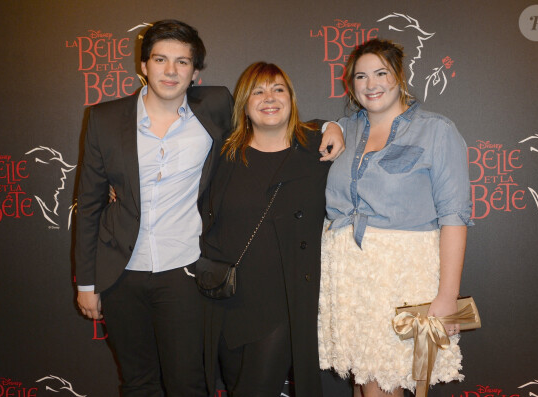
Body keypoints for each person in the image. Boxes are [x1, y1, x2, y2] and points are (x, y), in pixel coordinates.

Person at [74, 20, 344, 396]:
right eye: (161, 59)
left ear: (195, 72)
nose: (171, 71)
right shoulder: (103, 119)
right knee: (137, 381)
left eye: (182, 62)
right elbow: (88, 205)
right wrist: (87, 282)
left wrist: (331, 125)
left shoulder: (214, 106)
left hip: (184, 271)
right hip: (120, 272)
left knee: (189, 382)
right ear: (143, 66)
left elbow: (272, 118)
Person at [318, 39, 473, 397]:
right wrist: (334, 124)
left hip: (400, 277)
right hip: (349, 278)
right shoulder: (349, 128)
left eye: (380, 73)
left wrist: (447, 296)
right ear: (351, 85)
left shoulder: (436, 130)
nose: (371, 84)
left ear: (399, 76)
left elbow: (454, 218)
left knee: (383, 383)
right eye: (361, 76)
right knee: (363, 381)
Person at [200, 62, 331, 397]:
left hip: (282, 303)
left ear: (291, 98)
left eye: (278, 89)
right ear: (244, 103)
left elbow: (365, 126)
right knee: (233, 386)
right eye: (258, 91)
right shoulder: (223, 154)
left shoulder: (318, 150)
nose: (268, 98)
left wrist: (333, 125)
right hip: (225, 299)